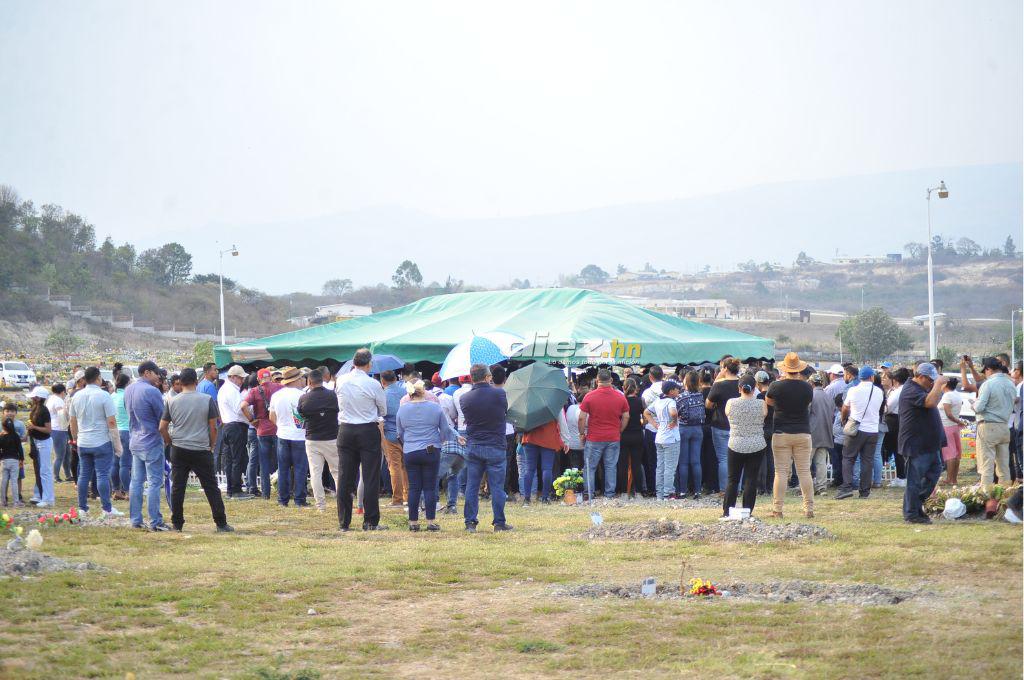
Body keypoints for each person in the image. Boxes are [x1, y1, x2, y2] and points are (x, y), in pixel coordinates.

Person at [159, 368, 232, 532]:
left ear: (180, 383)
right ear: (196, 382)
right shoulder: (206, 400)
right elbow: (213, 427)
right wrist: (212, 446)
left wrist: (170, 442)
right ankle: (221, 522)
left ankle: (177, 523)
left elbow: (162, 427)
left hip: (179, 448)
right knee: (211, 487)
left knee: (178, 487)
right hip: (201, 448)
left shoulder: (171, 401)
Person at [396, 378, 461, 531]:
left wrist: (408, 444)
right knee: (430, 487)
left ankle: (413, 522)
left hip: (410, 450)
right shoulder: (434, 407)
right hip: (431, 449)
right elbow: (445, 429)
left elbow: (399, 433)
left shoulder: (402, 409)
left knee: (414, 488)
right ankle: (430, 521)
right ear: (424, 391)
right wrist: (441, 441)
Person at [335, 349, 388, 531]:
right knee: (370, 476)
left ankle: (344, 522)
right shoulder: (373, 384)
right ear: (369, 364)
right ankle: (370, 521)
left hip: (346, 429)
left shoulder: (341, 380)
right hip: (367, 429)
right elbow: (383, 410)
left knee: (344, 476)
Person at [459, 363, 512, 532]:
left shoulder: (465, 398)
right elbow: (504, 411)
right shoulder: (499, 394)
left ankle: (470, 522)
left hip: (474, 444)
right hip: (495, 444)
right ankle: (499, 522)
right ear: (488, 377)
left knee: (472, 486)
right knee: (497, 486)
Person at [68, 366, 124, 517]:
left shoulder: (76, 396)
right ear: (98, 378)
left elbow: (72, 421)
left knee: (83, 475)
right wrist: (118, 445)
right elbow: (112, 422)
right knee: (102, 475)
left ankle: (82, 508)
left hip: (83, 442)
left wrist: (75, 438)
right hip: (101, 441)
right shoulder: (104, 395)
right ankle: (106, 508)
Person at [765, 353, 815, 518]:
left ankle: (777, 509)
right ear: (799, 368)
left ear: (785, 368)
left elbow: (769, 402)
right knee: (804, 472)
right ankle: (809, 508)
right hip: (803, 432)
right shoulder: (808, 387)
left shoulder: (775, 386)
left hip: (781, 432)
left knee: (780, 472)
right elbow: (807, 403)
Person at [124, 361, 171, 531]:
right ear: (147, 373)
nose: (159, 377)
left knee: (136, 481)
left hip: (135, 440)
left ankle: (136, 519)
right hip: (151, 441)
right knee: (154, 482)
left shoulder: (129, 389)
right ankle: (155, 521)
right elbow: (163, 417)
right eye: (156, 373)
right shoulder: (151, 391)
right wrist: (167, 438)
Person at [898, 363, 946, 523]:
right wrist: (939, 384)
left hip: (929, 443)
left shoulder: (922, 388)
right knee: (915, 480)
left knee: (933, 475)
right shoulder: (911, 389)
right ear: (920, 377)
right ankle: (911, 513)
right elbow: (930, 402)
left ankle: (916, 506)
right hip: (916, 444)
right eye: (930, 380)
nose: (932, 382)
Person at [578, 369, 629, 499]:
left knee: (590, 467)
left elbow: (582, 418)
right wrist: (620, 430)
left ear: (597, 380)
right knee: (611, 466)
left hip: (594, 437)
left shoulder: (589, 396)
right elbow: (626, 416)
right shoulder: (620, 396)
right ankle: (610, 494)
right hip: (613, 437)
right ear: (611, 380)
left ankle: (589, 493)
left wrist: (581, 433)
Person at [836, 366, 884, 501]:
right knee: (867, 460)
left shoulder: (853, 390)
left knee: (848, 458)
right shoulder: (879, 391)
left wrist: (844, 419)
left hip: (856, 429)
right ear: (872, 377)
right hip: (873, 430)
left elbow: (845, 407)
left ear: (859, 377)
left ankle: (846, 487)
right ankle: (864, 491)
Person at [723, 375, 768, 517]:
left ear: (739, 388)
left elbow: (727, 414)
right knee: (751, 480)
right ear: (755, 388)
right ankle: (747, 511)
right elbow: (764, 415)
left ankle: (727, 511)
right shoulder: (761, 404)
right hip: (756, 445)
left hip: (735, 444)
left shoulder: (731, 403)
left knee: (732, 479)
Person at [297, 368, 340, 513]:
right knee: (337, 472)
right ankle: (342, 502)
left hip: (312, 438)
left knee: (316, 473)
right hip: (331, 438)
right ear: (322, 380)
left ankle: (320, 506)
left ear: (309, 382)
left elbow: (300, 415)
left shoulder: (304, 398)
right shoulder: (333, 396)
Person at [973, 357, 1017, 489]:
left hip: (988, 425)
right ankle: (1004, 493)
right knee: (1004, 465)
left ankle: (986, 494)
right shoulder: (1011, 383)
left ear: (988, 369)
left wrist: (973, 405)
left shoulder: (988, 384)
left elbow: (979, 407)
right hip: (1004, 426)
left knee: (986, 464)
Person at [270, 367, 310, 508]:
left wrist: (281, 425)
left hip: (282, 434)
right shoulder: (302, 395)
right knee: (300, 468)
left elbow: (272, 417)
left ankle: (283, 499)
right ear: (297, 379)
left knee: (283, 468)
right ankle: (300, 499)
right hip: (299, 435)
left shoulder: (277, 395)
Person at [241, 368, 280, 500]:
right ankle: (283, 490)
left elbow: (243, 406)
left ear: (258, 379)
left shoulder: (254, 391)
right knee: (282, 461)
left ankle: (265, 493)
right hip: (276, 428)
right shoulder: (279, 387)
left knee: (264, 463)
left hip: (262, 429)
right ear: (270, 377)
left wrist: (252, 420)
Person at [520, 403, 570, 505]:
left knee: (529, 469)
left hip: (530, 437)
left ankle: (526, 499)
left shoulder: (528, 400)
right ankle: (545, 498)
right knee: (547, 469)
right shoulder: (554, 400)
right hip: (548, 437)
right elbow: (562, 422)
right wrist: (566, 440)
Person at [217, 365, 254, 500]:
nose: (241, 381)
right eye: (240, 378)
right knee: (237, 459)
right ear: (232, 377)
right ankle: (236, 489)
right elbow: (239, 410)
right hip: (235, 426)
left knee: (229, 459)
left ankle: (231, 489)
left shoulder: (224, 389)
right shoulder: (231, 390)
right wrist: (251, 419)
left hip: (227, 425)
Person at [706, 358, 741, 493]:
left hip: (720, 424)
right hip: (738, 425)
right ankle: (736, 488)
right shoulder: (742, 383)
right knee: (738, 457)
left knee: (723, 458)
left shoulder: (719, 385)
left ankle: (724, 489)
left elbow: (708, 404)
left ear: (725, 369)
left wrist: (717, 379)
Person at [644, 380, 680, 500]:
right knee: (670, 467)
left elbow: (646, 412)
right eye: (676, 389)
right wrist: (674, 421)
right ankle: (667, 493)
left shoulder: (658, 401)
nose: (678, 391)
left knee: (660, 467)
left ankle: (660, 493)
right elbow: (673, 413)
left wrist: (655, 424)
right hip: (671, 437)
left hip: (659, 436)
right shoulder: (671, 401)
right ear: (671, 391)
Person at [379, 370, 409, 508]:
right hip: (407, 434)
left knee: (394, 466)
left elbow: (381, 415)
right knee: (406, 466)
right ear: (396, 379)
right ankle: (407, 496)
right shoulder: (405, 392)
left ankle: (397, 499)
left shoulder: (383, 395)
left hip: (390, 434)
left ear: (382, 381)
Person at [675, 371, 705, 500]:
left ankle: (682, 491)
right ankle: (697, 491)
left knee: (683, 462)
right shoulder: (700, 396)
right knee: (696, 461)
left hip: (683, 429)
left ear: (685, 381)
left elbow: (675, 413)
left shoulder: (680, 397)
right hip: (697, 429)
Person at [26, 386, 55, 508]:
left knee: (45, 470)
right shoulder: (35, 409)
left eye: (34, 396)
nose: (32, 398)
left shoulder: (43, 411)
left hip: (43, 442)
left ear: (38, 398)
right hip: (36, 441)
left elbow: (48, 430)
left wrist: (34, 427)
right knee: (39, 469)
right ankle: (38, 494)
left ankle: (48, 499)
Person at [808, 373, 835, 495]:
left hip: (812, 433)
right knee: (821, 462)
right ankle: (822, 487)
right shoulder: (828, 396)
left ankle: (806, 488)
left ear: (812, 383)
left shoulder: (810, 395)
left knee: (806, 462)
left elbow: (807, 413)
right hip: (826, 432)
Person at [639, 365, 665, 495]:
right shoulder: (670, 390)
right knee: (667, 460)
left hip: (651, 427)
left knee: (652, 460)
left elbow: (645, 412)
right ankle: (667, 487)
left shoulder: (646, 393)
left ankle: (653, 487)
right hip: (667, 428)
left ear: (650, 377)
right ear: (663, 375)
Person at [617, 380, 645, 498]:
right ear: (636, 388)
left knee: (622, 464)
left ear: (624, 388)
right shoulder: (640, 401)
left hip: (623, 435)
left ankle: (623, 492)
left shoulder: (621, 401)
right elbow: (646, 417)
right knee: (636, 464)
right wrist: (641, 423)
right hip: (637, 434)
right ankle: (638, 492)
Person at [938, 377, 967, 485]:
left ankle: (950, 479)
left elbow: (948, 414)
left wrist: (958, 421)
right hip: (954, 426)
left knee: (949, 454)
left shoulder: (947, 396)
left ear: (945, 385)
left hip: (947, 426)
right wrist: (958, 421)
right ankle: (954, 479)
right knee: (956, 453)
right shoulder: (956, 394)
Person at [110, 373, 132, 501]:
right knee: (125, 464)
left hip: (114, 430)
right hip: (126, 430)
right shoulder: (127, 396)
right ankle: (128, 491)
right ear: (127, 383)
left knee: (115, 463)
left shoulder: (112, 396)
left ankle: (116, 490)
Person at [46, 384, 71, 483]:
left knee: (66, 454)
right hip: (59, 429)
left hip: (58, 429)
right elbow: (62, 414)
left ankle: (68, 475)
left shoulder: (51, 399)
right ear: (62, 392)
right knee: (60, 455)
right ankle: (56, 476)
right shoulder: (58, 400)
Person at [1, 413, 23, 506]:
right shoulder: (16, 436)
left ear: (3, 427)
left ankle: (3, 501)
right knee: (14, 481)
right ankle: (16, 502)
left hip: (4, 460)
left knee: (3, 481)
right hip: (14, 460)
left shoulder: (1, 436)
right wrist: (21, 459)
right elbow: (20, 448)